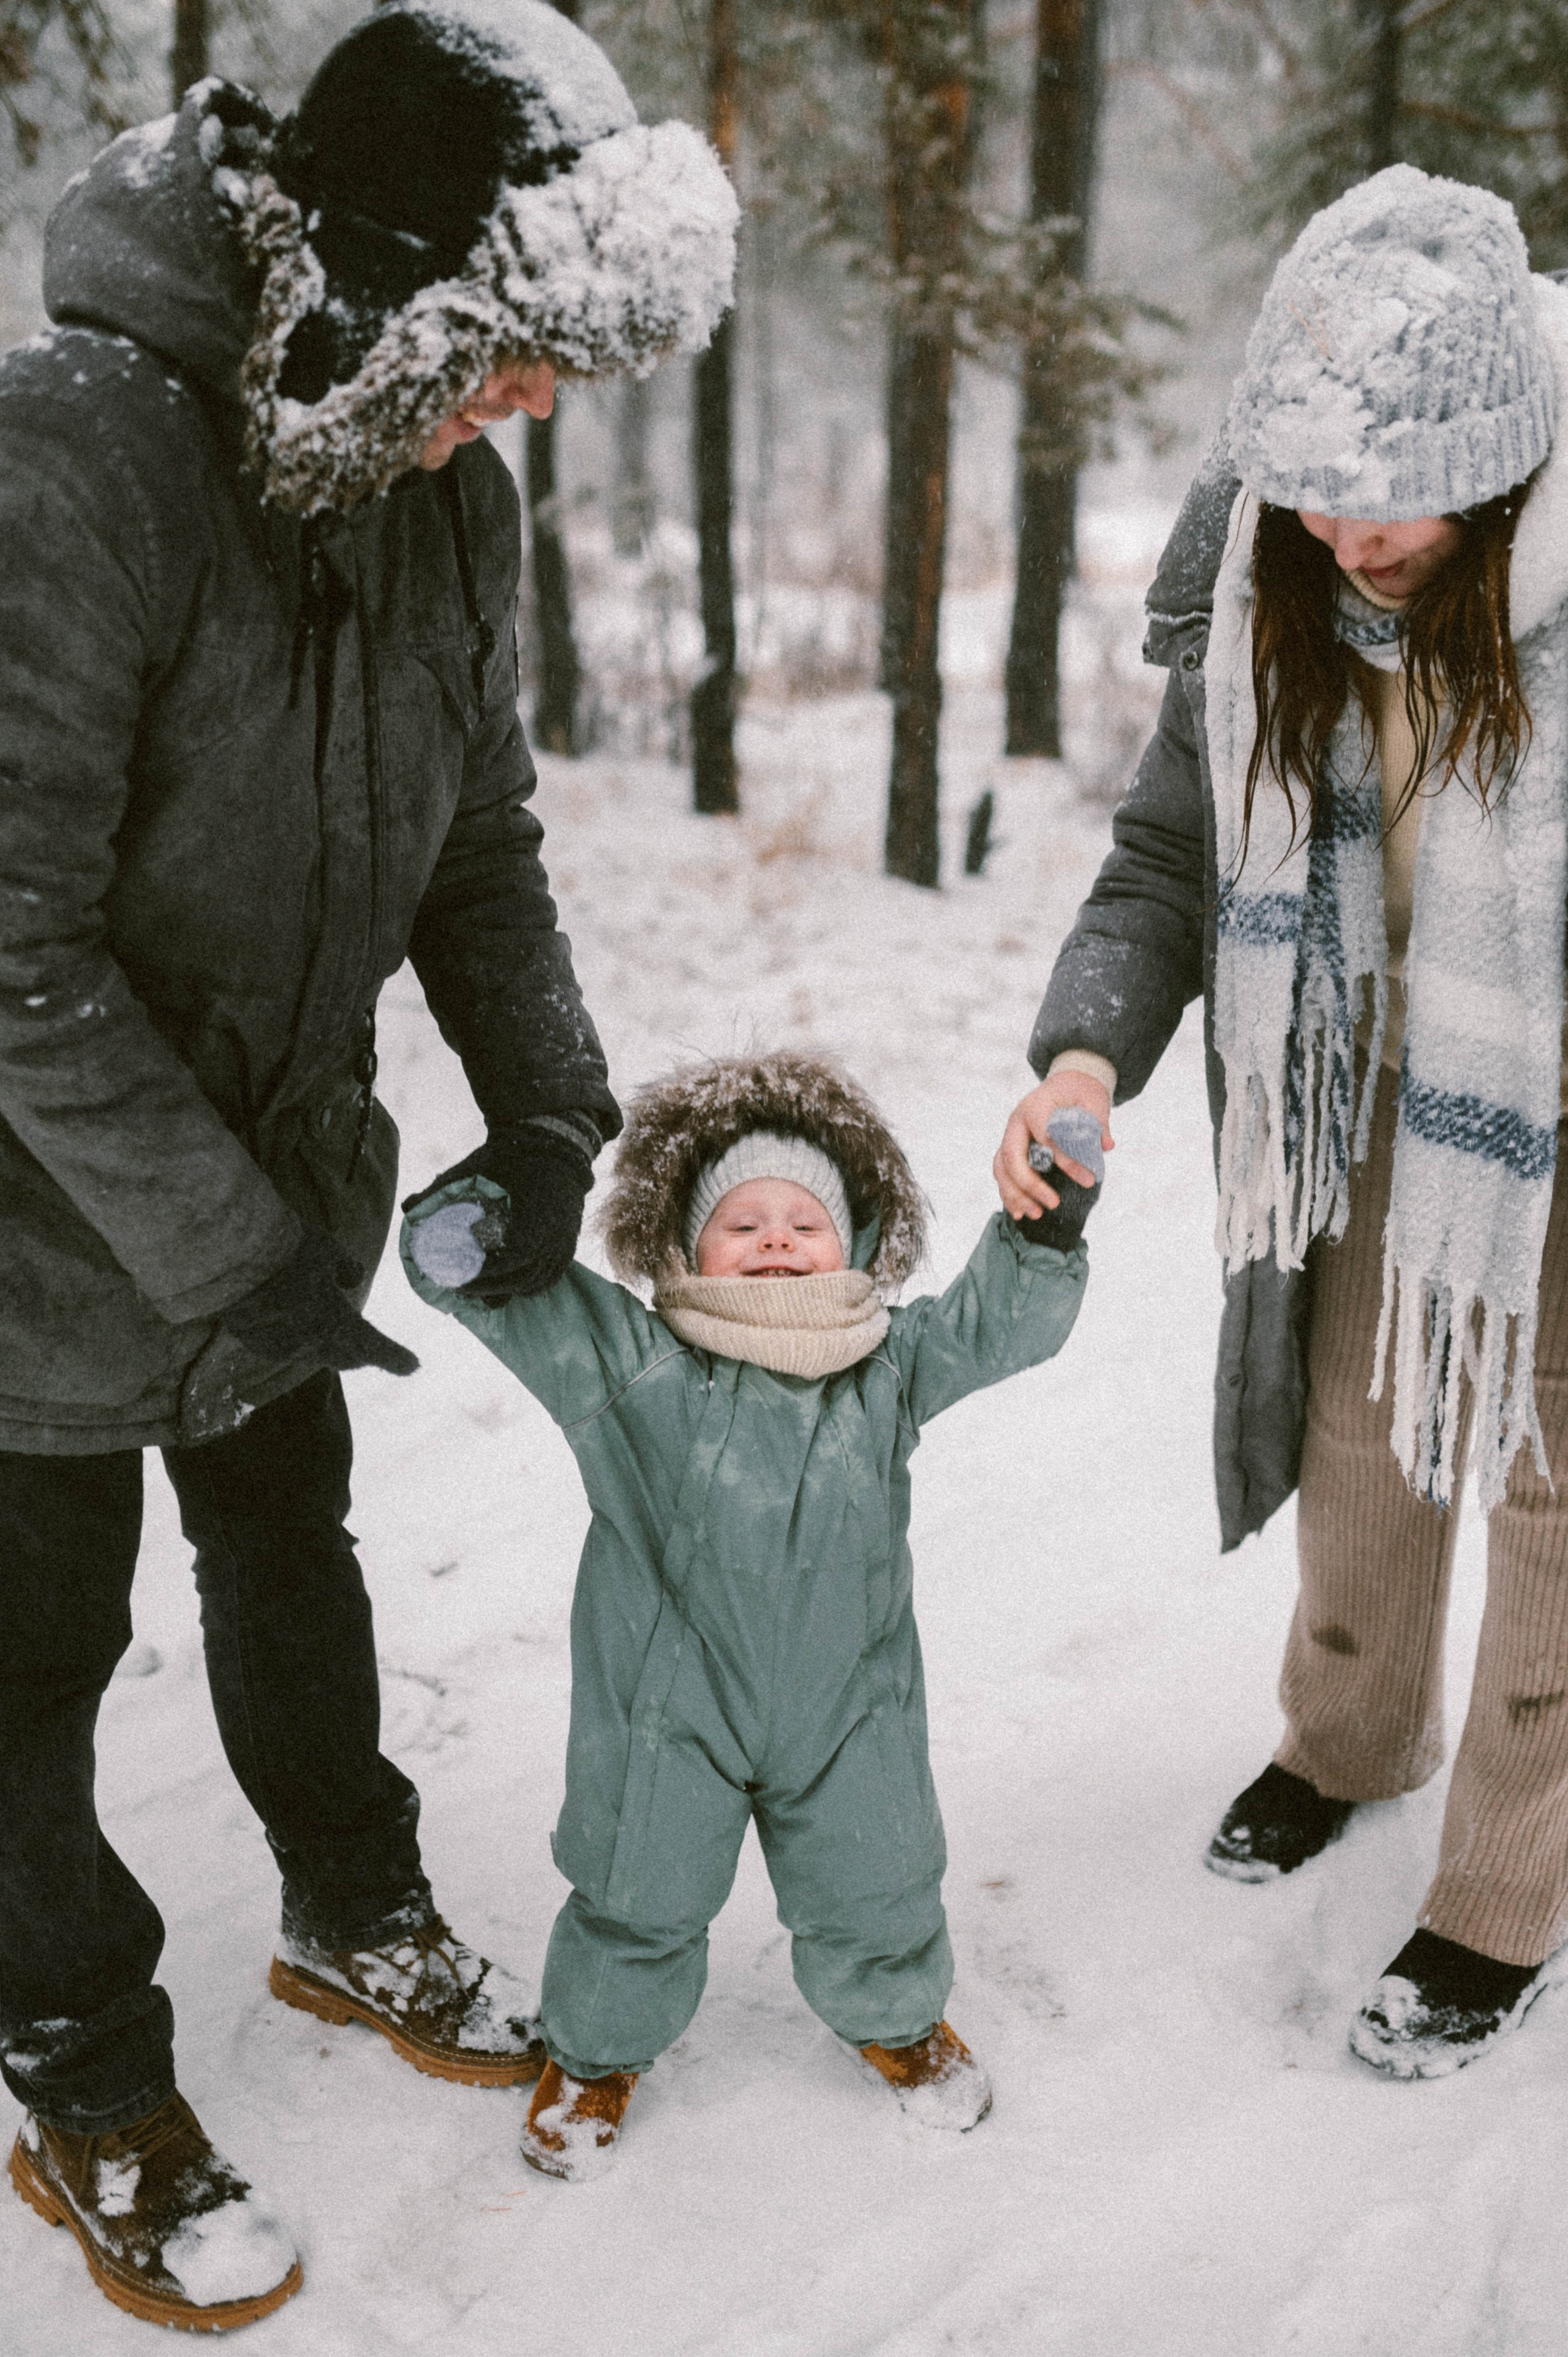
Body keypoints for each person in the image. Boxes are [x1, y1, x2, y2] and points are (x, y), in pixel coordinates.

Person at [0, 0, 736, 2329]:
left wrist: (547, 1106)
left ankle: (350, 1898)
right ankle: (82, 2055)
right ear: (386, 289)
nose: (530, 410)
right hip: (34, 1217)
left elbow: (480, 848)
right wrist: (222, 1249)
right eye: (509, 355)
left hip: (272, 1182)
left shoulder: (442, 495)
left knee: (287, 1546)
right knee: (29, 1651)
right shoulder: (76, 460)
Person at [995, 164, 1568, 2081]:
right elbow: (1171, 854)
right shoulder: (1265, 578)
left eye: (1394, 492)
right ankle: (1350, 1736)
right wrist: (1081, 1057)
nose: (1350, 529)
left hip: (1553, 1092)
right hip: (1380, 1068)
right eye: (1316, 484)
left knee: (1552, 1481)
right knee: (1361, 1416)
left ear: (1494, 460)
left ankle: (1505, 1884)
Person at [401, 1050, 1097, 2178]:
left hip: (851, 1702)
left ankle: (897, 2017)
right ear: (683, 1251)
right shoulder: (636, 1363)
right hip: (672, 1708)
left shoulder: (889, 1364)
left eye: (804, 1221)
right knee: (640, 1886)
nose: (776, 1237)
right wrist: (476, 1232)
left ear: (858, 1245)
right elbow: (521, 1301)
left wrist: (1046, 1229)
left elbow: (995, 1324)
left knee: (878, 1874)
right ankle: (596, 2052)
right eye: (742, 1221)